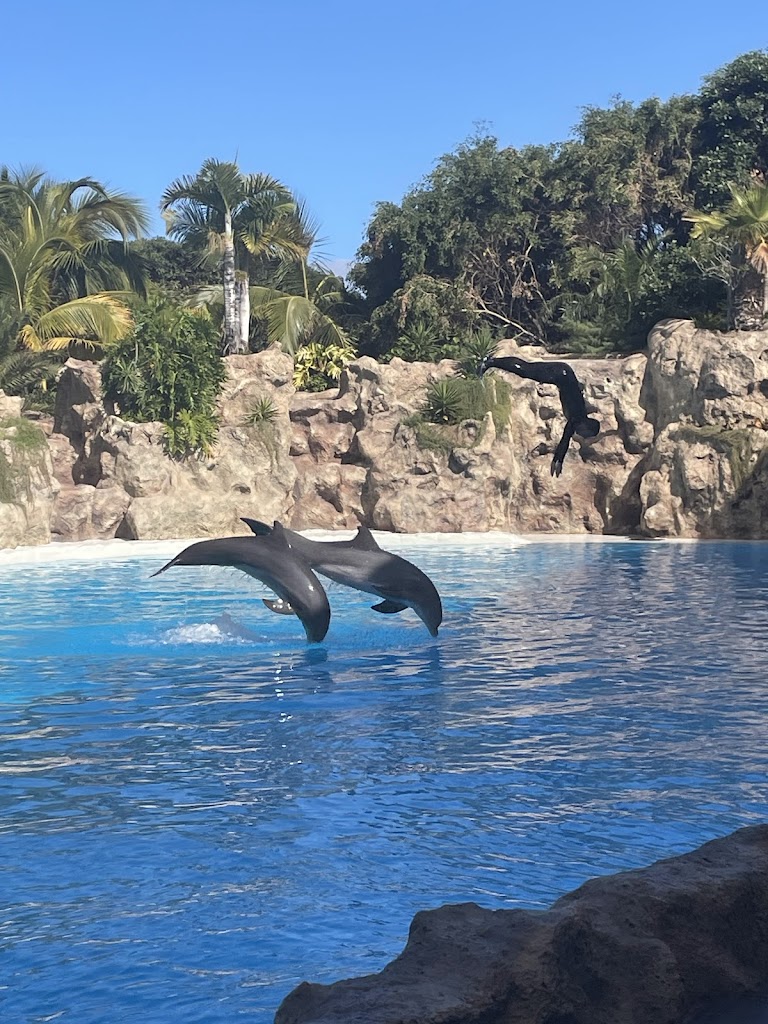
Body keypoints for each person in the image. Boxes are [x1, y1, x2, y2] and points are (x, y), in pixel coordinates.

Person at [480, 354, 600, 477]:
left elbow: (565, 440)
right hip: (560, 374)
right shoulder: (577, 416)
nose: (582, 436)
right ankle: (490, 362)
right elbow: (565, 439)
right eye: (586, 434)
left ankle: (491, 361)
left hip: (563, 373)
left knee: (525, 369)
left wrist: (558, 460)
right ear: (587, 425)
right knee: (524, 369)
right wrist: (558, 460)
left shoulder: (576, 420)